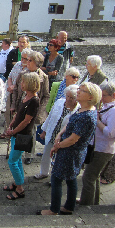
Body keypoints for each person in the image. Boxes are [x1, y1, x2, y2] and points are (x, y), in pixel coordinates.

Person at [38, 82, 101, 215]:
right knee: (71, 178)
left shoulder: (87, 116)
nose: (78, 91)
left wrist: (57, 146)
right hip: (71, 149)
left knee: (56, 178)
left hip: (71, 152)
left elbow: (73, 139)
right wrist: (60, 134)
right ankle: (69, 207)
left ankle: (54, 209)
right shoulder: (83, 109)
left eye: (82, 90)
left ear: (90, 97)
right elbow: (70, 124)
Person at [78, 82, 115, 205]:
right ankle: (93, 201)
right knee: (94, 176)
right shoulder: (108, 105)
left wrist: (97, 121)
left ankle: (86, 204)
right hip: (97, 147)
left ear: (113, 95)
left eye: (104, 95)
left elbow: (110, 133)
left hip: (104, 149)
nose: (101, 98)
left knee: (88, 177)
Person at [3, 72, 40, 200]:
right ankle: (17, 181)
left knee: (12, 161)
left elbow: (26, 121)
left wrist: (13, 131)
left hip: (23, 135)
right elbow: (18, 114)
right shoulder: (26, 97)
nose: (21, 84)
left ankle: (20, 189)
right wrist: (11, 125)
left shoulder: (34, 101)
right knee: (17, 159)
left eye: (23, 82)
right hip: (17, 133)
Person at [11, 51, 50, 164]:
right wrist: (13, 105)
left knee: (30, 131)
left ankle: (29, 154)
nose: (27, 62)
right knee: (17, 128)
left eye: (30, 60)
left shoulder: (44, 77)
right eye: (27, 60)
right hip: (21, 105)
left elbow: (46, 96)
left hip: (33, 108)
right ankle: (16, 151)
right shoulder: (22, 73)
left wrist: (39, 111)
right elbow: (15, 90)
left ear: (37, 63)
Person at [35, 85, 79, 180]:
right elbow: (50, 117)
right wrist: (44, 131)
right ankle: (44, 172)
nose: (68, 99)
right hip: (52, 134)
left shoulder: (78, 110)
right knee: (46, 154)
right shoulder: (59, 102)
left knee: (60, 159)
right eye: (67, 96)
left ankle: (56, 177)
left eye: (72, 97)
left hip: (65, 139)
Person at [0, 48, 32, 138]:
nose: (23, 60)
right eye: (22, 58)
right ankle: (7, 131)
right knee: (7, 113)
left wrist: (14, 87)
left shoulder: (29, 69)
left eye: (25, 59)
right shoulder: (18, 64)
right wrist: (10, 86)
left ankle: (14, 132)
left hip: (21, 95)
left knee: (17, 115)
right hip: (11, 92)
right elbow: (10, 77)